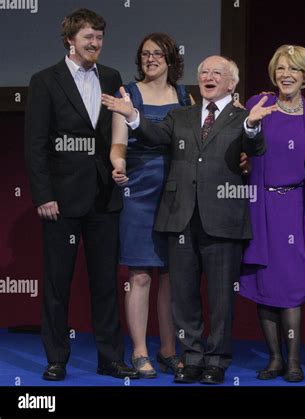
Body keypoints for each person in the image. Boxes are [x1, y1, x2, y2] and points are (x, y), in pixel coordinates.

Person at [102, 55, 270, 384]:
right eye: (203, 72)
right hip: (180, 218)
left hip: (223, 219)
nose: (208, 77)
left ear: (231, 83)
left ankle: (216, 361)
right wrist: (132, 115)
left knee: (221, 297)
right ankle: (191, 357)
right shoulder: (181, 115)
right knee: (184, 295)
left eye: (216, 73)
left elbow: (256, 146)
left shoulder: (243, 117)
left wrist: (252, 126)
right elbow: (153, 135)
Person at [24, 8, 138, 381]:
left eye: (100, 38)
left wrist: (119, 166)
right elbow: (35, 145)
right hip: (60, 200)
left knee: (105, 282)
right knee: (58, 284)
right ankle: (57, 358)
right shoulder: (44, 81)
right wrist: (43, 194)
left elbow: (116, 135)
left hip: (104, 198)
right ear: (70, 40)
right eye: (89, 37)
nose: (96, 44)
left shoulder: (111, 77)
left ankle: (110, 358)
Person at [239, 45, 305, 382]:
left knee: (291, 286)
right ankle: (274, 359)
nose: (286, 75)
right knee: (265, 283)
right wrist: (250, 124)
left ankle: (293, 361)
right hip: (261, 206)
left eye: (294, 69)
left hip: (296, 208)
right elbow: (246, 147)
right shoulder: (258, 106)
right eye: (281, 69)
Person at [109, 33, 193, 378]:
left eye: (158, 54)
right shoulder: (128, 94)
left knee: (171, 276)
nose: (151, 59)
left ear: (171, 59)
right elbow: (117, 144)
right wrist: (118, 163)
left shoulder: (185, 95)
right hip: (139, 191)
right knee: (140, 275)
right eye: (145, 54)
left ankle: (169, 351)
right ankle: (141, 352)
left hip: (176, 191)